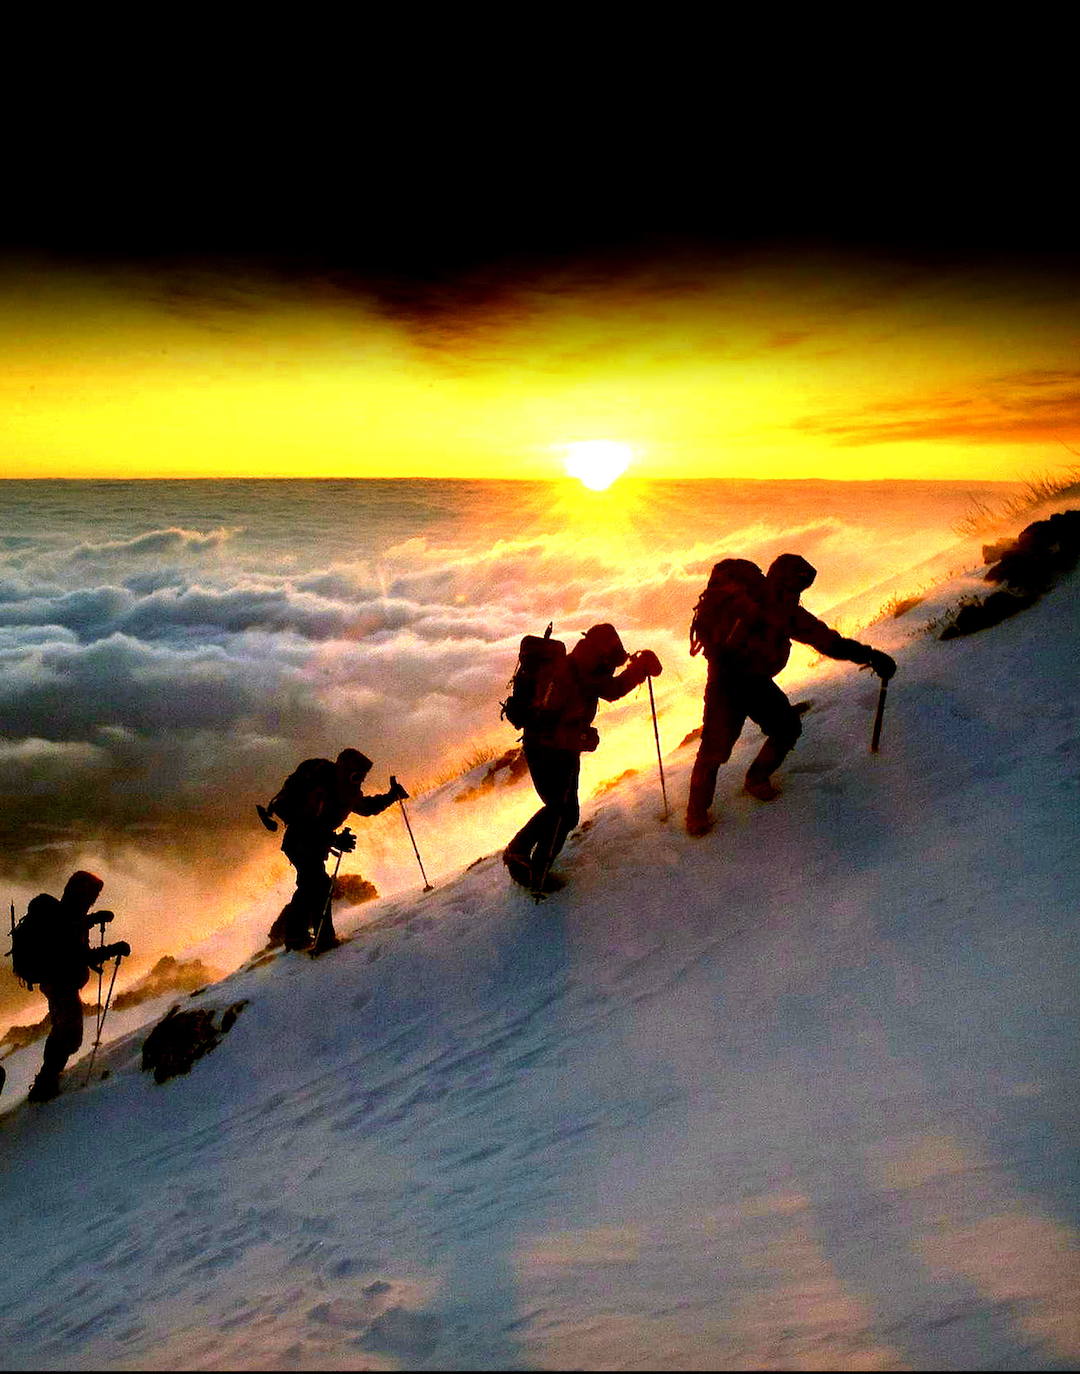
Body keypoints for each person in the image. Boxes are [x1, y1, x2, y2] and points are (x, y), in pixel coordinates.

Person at [685, 552, 897, 836]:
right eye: (799, 586)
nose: (799, 593)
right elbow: (829, 643)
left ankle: (706, 808)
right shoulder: (781, 610)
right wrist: (870, 656)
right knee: (740, 741)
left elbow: (826, 641)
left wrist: (869, 656)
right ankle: (725, 797)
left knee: (743, 740)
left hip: (733, 680)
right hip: (735, 682)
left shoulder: (777, 606)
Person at [503, 623, 662, 892]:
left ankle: (521, 854)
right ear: (601, 654)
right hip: (549, 752)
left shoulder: (583, 669)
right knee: (562, 812)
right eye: (611, 660)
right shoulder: (571, 676)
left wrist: (638, 669)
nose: (612, 666)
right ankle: (533, 869)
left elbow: (609, 689)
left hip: (556, 751)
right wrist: (584, 739)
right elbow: (551, 728)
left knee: (563, 811)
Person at [264, 748, 408, 953]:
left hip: (313, 842)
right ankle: (321, 938)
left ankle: (297, 936)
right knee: (317, 884)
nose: (360, 779)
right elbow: (305, 823)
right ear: (345, 769)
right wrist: (335, 839)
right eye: (357, 774)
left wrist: (391, 796)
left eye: (362, 776)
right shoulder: (322, 788)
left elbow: (366, 808)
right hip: (300, 840)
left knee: (311, 884)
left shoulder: (347, 791)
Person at [26, 871, 130, 1103]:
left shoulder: (69, 915)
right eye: (93, 894)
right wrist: (113, 949)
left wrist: (94, 920)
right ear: (82, 893)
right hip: (61, 984)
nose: (94, 899)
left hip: (57, 983)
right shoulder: (69, 919)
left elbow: (74, 939)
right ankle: (46, 1083)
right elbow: (79, 954)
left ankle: (47, 1079)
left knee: (64, 1030)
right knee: (70, 1034)